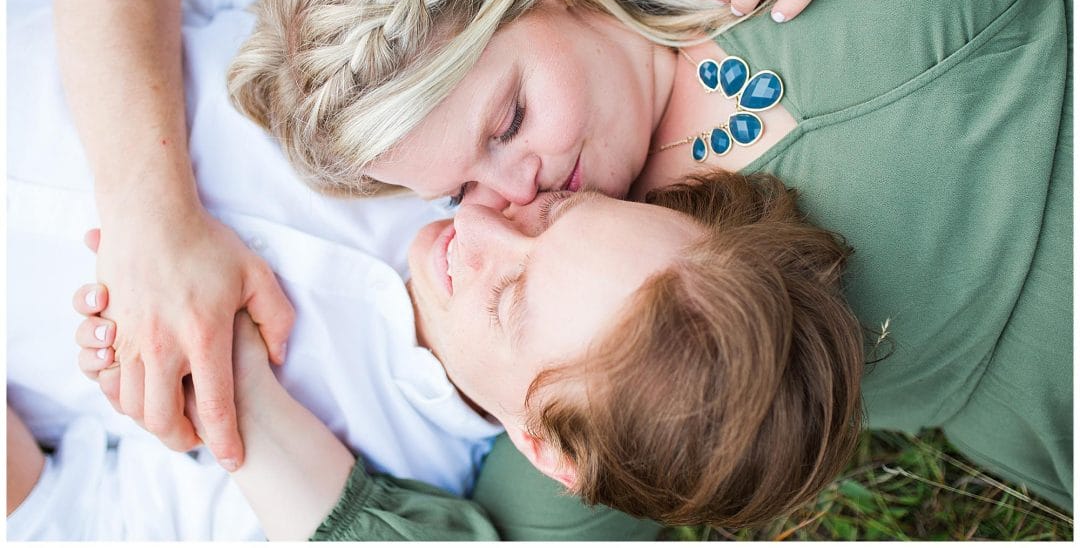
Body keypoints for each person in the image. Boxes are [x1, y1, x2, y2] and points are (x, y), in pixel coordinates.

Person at [16, 0, 1072, 530]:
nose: (510, 193)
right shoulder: (608, 367)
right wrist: (239, 395)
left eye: (511, 118)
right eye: (464, 186)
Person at [68, 168, 864, 536]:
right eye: (555, 209)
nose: (479, 223)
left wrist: (221, 386)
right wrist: (150, 205)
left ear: (545, 445)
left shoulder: (358, 470)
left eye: (507, 300)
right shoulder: (431, 133)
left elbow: (66, 515)